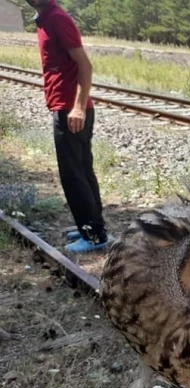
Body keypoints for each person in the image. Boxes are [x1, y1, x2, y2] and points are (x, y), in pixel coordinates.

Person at [26, 0, 110, 253]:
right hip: (66, 107)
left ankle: (94, 236)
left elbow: (85, 64)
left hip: (70, 109)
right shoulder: (45, 18)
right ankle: (92, 227)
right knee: (82, 171)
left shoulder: (56, 18)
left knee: (73, 175)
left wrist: (78, 107)